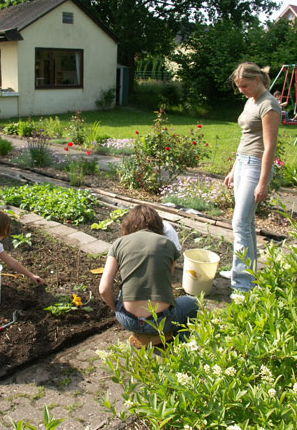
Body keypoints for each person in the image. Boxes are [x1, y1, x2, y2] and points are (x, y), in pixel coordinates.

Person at [98, 205, 199, 342]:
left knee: (124, 289)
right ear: (158, 225)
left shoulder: (118, 243)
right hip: (162, 321)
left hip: (128, 320)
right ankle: (181, 341)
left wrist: (116, 308)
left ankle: (145, 336)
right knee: (195, 303)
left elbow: (103, 289)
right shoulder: (168, 244)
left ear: (129, 225)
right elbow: (166, 278)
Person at [223, 63, 281, 291]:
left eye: (244, 86)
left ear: (258, 80)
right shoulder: (251, 101)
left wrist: (263, 182)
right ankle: (243, 271)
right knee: (245, 223)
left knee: (239, 223)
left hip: (256, 167)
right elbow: (245, 138)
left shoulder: (269, 105)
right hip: (243, 163)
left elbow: (270, 147)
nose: (242, 90)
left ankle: (243, 284)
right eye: (239, 87)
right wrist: (234, 168)